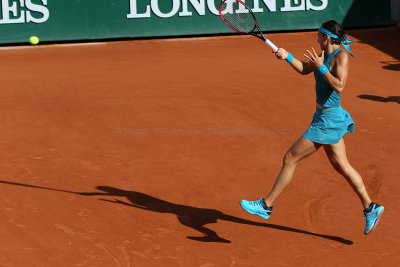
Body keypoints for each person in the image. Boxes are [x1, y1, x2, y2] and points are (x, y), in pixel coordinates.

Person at [240, 20, 384, 235]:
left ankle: (266, 205)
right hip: (325, 117)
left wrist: (322, 66)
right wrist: (286, 55)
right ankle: (371, 207)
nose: (316, 39)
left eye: (319, 36)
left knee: (290, 158)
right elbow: (304, 69)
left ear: (327, 37)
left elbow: (339, 85)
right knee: (342, 166)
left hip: (328, 121)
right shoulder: (322, 55)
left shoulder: (341, 56)